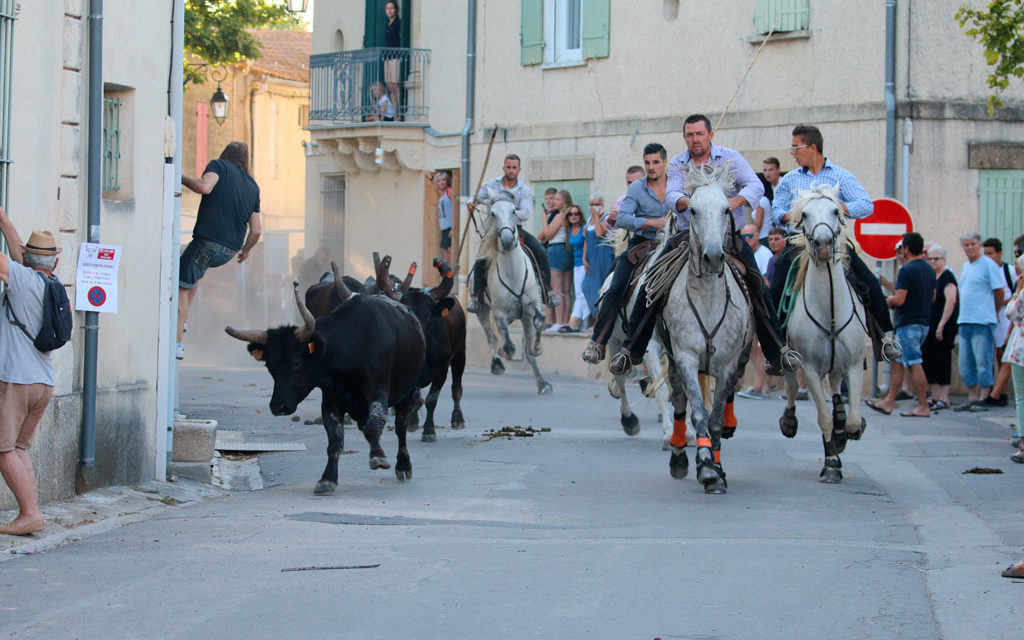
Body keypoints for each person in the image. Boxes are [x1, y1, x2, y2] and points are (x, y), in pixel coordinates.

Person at [605, 115, 797, 378]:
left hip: (727, 235)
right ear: (685, 138)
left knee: (757, 283)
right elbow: (672, 195)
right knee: (651, 282)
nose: (695, 139)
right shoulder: (677, 164)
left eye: (699, 134)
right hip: (687, 236)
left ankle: (777, 351)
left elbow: (755, 185)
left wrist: (730, 203)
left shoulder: (729, 158)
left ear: (710, 135)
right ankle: (631, 350)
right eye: (689, 135)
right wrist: (694, 202)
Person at [769, 123, 901, 364]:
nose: (792, 152)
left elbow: (866, 205)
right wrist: (793, 215)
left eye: (795, 147)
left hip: (836, 242)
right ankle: (776, 346)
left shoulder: (840, 175)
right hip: (799, 242)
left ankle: (886, 337)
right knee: (777, 282)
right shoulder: (790, 180)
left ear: (812, 147)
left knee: (867, 280)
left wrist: (837, 208)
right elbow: (776, 210)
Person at [581, 143, 670, 365]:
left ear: (665, 163)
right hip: (643, 244)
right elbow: (622, 218)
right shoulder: (637, 189)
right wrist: (652, 222)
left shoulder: (677, 185)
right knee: (616, 286)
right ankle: (598, 341)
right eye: (647, 162)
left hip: (672, 244)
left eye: (656, 162)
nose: (651, 167)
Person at [0, 207, 58, 535]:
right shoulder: (50, 285)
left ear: (26, 258)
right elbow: (17, 257)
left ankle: (29, 512)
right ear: (55, 262)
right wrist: (5, 221)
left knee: (3, 448)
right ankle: (31, 513)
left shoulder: (21, 280)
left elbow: (8, 262)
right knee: (18, 448)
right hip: (43, 382)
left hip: (16, 380)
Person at [179, 141, 262, 360]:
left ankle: (177, 341)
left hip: (207, 241)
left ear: (226, 154)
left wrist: (181, 177)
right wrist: (245, 252)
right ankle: (184, 318)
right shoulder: (253, 186)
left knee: (180, 285)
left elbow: (204, 187)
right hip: (229, 250)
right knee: (195, 275)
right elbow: (256, 230)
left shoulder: (219, 166)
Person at [466, 154, 554, 313]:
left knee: (540, 251)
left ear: (519, 169)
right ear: (504, 168)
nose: (511, 170)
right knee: (481, 258)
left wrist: (507, 214)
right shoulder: (491, 185)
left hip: (515, 229)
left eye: (514, 167)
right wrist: (471, 203)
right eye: (509, 167)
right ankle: (476, 297)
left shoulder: (524, 190)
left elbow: (526, 213)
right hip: (494, 230)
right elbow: (474, 198)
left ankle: (548, 291)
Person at [865, 232, 935, 418]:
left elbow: (900, 299)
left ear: (906, 249)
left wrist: (882, 302)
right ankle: (889, 402)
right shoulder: (929, 269)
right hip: (923, 322)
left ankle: (923, 406)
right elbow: (933, 297)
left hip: (908, 323)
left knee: (914, 363)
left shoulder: (906, 270)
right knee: (899, 362)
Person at [953, 232, 1005, 411]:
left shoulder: (988, 265)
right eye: (966, 244)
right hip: (965, 319)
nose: (969, 248)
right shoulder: (966, 266)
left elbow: (999, 291)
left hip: (982, 320)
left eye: (973, 244)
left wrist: (995, 311)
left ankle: (984, 396)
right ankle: (972, 396)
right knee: (966, 363)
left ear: (979, 245)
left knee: (983, 360)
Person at [735, 223, 775, 400]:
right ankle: (763, 384)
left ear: (757, 236)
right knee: (751, 346)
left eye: (750, 236)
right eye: (744, 237)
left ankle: (760, 386)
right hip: (747, 302)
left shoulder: (764, 254)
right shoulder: (743, 252)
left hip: (758, 302)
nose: (747, 240)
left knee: (760, 347)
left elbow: (765, 282)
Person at [921, 244, 959, 410]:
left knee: (942, 360)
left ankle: (944, 397)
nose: (932, 262)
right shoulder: (931, 276)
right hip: (929, 325)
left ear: (943, 260)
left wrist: (941, 325)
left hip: (943, 326)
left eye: (936, 259)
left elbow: (951, 301)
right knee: (930, 360)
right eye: (930, 258)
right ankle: (934, 397)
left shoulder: (948, 277)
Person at [982, 237, 1015, 406]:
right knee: (989, 353)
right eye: (985, 253)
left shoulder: (1009, 270)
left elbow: (1016, 293)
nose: (988, 257)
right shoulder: (983, 270)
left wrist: (1004, 303)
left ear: (999, 253)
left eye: (991, 253)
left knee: (1003, 353)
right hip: (989, 315)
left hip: (1005, 316)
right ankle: (993, 391)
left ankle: (1000, 391)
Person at [1000, 253, 1024, 464]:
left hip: (1021, 351)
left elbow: (1010, 312)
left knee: (1022, 397)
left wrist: (1017, 291)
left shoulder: (1022, 293)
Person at [538, 190, 574, 328]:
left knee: (557, 290)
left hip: (556, 251)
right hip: (566, 252)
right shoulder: (566, 215)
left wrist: (543, 219)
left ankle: (558, 322)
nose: (554, 202)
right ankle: (564, 321)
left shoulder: (559, 216)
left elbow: (548, 234)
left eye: (558, 200)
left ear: (564, 202)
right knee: (566, 290)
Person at [581, 194, 614, 322]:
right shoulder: (589, 220)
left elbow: (599, 233)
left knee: (601, 289)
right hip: (591, 258)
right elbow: (587, 240)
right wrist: (584, 258)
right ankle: (595, 318)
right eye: (592, 204)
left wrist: (596, 216)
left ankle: (600, 322)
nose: (595, 207)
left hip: (603, 257)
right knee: (588, 287)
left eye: (597, 204)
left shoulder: (606, 218)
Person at [558, 205, 589, 333]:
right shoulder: (569, 230)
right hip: (576, 265)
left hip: (584, 264)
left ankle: (580, 322)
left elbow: (589, 244)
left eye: (576, 213)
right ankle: (576, 322)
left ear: (580, 215)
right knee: (578, 293)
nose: (573, 216)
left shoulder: (584, 228)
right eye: (570, 214)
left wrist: (585, 260)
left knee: (583, 293)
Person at [426, 170, 454, 264]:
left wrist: (454, 227)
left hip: (450, 227)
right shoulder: (441, 194)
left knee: (450, 252)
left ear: (447, 181)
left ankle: (451, 274)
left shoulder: (449, 192)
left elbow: (456, 207)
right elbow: (434, 185)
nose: (441, 182)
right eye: (439, 180)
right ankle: (447, 274)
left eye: (444, 180)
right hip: (444, 227)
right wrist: (430, 177)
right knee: (445, 252)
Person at [382, 0, 402, 114]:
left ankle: (398, 110)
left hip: (396, 56)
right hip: (387, 57)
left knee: (395, 84)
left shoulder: (398, 23)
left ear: (396, 10)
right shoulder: (387, 23)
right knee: (389, 85)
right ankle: (394, 110)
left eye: (391, 8)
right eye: (387, 8)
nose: (389, 10)